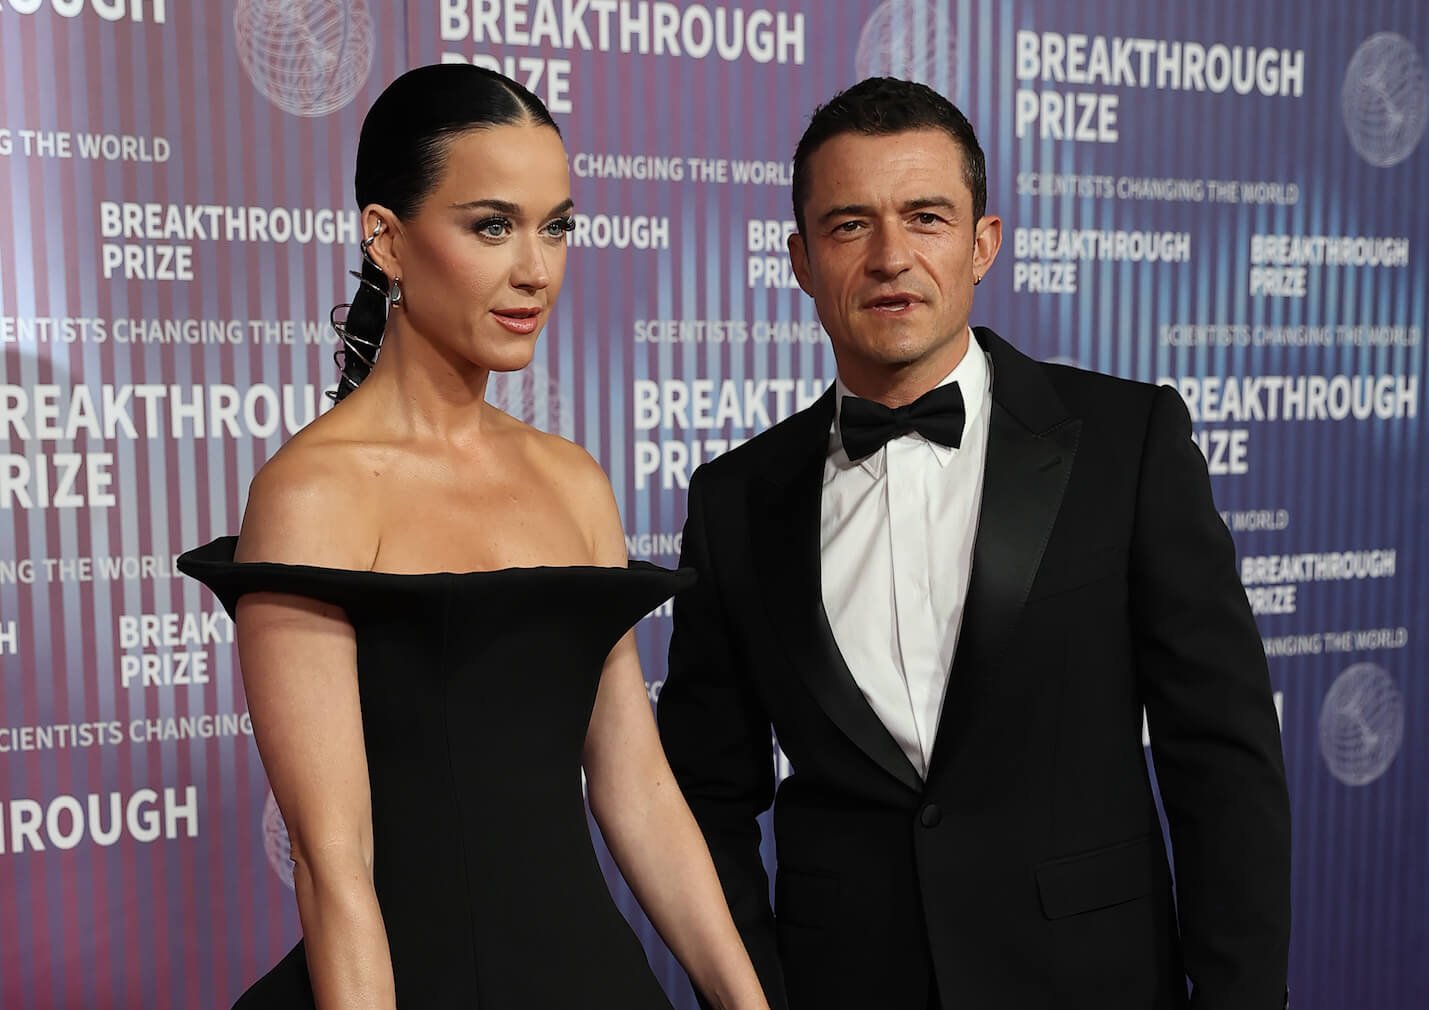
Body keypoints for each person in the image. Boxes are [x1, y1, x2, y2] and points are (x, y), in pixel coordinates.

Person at [656, 77, 1291, 1010]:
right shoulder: (734, 500)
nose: (889, 258)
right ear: (797, 259)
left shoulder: (1125, 443)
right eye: (847, 225)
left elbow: (1221, 755)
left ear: (981, 243)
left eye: (925, 217)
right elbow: (705, 794)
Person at [179, 64, 770, 1010]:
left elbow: (638, 790)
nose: (534, 268)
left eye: (556, 225)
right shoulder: (314, 494)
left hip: (590, 980)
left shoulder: (572, 479)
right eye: (491, 225)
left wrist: (746, 1003)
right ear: (388, 241)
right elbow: (336, 868)